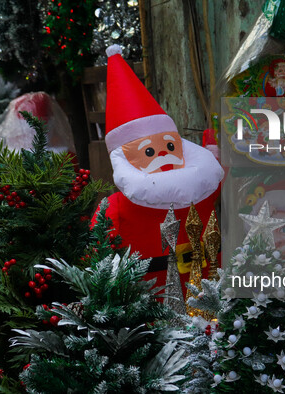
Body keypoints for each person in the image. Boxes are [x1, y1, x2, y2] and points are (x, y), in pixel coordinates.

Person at [93, 45, 224, 297]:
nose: (162, 154)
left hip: (211, 297)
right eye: (149, 152)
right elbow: (96, 252)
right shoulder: (115, 209)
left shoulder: (203, 189)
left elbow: (215, 174)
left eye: (170, 146)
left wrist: (213, 144)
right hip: (153, 303)